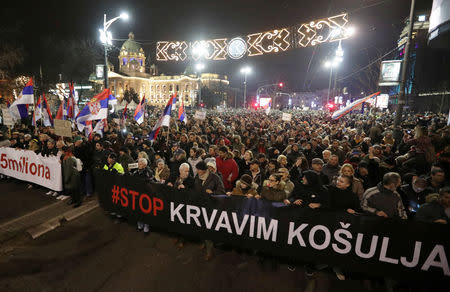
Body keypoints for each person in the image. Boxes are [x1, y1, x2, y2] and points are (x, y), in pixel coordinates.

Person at [194, 161, 225, 260]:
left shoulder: (215, 178)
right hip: (200, 206)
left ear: (204, 170)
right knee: (201, 226)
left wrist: (213, 192)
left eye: (198, 169)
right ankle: (204, 242)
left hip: (211, 207)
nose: (197, 171)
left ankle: (209, 251)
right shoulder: (197, 177)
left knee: (208, 228)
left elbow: (222, 192)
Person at [131, 158, 154, 234]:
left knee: (145, 210)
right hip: (137, 195)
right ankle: (140, 223)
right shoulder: (135, 172)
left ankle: (147, 225)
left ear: (144, 165)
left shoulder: (149, 172)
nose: (139, 165)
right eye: (138, 163)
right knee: (138, 209)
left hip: (145, 195)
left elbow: (150, 181)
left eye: (140, 164)